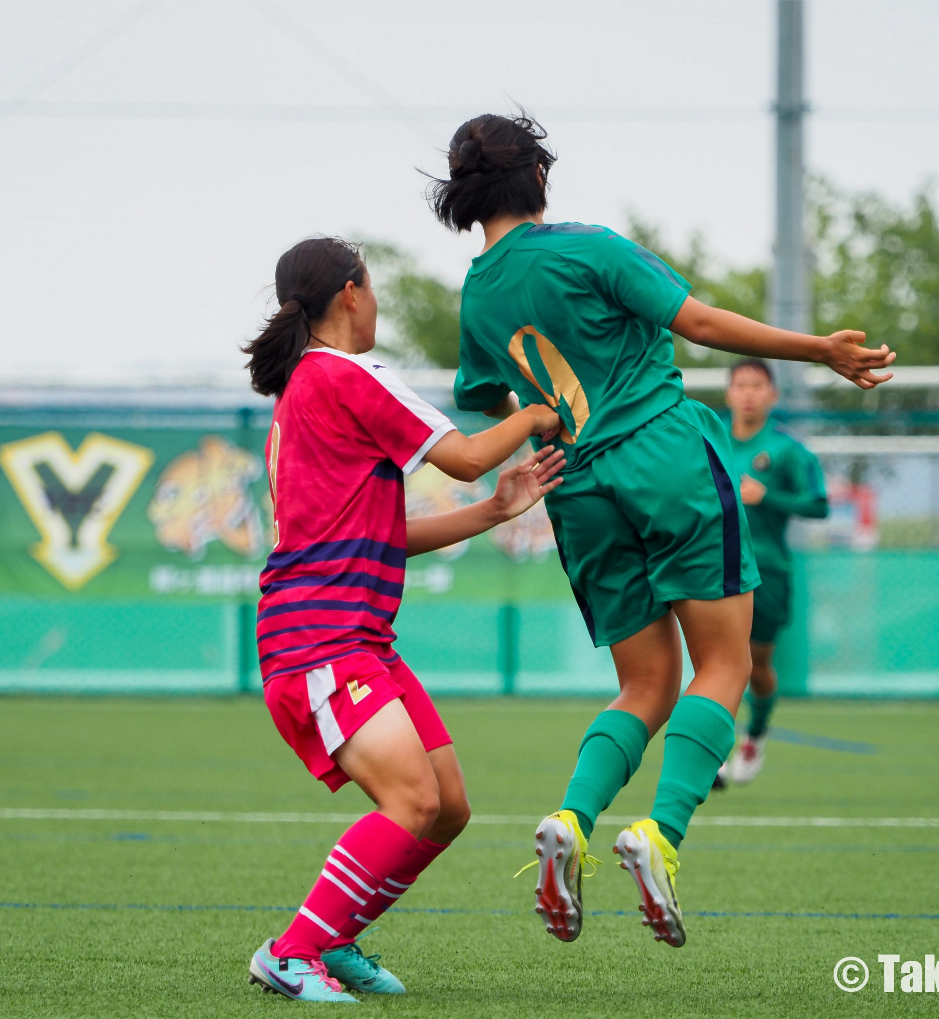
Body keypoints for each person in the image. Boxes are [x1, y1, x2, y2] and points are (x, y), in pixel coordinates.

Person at [426, 113, 894, 948]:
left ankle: (573, 818)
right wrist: (818, 349)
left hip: (577, 486)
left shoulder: (479, 292)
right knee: (726, 664)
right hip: (662, 456)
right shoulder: (587, 247)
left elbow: (483, 393)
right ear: (537, 176)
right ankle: (661, 834)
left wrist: (541, 416)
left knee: (644, 684)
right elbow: (699, 323)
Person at [241, 236, 564, 1002]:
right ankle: (292, 951)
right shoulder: (344, 373)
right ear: (351, 293)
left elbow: (385, 532)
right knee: (413, 800)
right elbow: (466, 456)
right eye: (373, 286)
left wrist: (495, 510)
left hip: (353, 638)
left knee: (446, 807)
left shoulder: (306, 390)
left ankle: (332, 938)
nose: (377, 301)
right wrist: (541, 410)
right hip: (319, 637)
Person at [714, 359, 828, 787]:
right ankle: (714, 751)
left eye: (757, 385)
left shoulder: (787, 450)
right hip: (714, 565)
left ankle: (756, 733)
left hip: (767, 571)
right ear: (728, 393)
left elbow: (818, 504)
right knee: (719, 661)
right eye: (741, 385)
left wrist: (767, 496)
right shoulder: (708, 439)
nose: (748, 393)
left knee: (756, 665)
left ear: (773, 395)